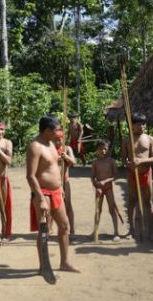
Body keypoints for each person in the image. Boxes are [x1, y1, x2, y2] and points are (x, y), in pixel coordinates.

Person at [27, 116, 79, 274]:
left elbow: (55, 167)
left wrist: (60, 186)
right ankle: (44, 266)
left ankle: (64, 262)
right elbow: (30, 175)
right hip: (43, 193)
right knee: (44, 232)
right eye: (56, 130)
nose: (59, 133)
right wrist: (41, 198)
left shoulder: (52, 143)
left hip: (57, 191)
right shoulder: (35, 147)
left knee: (64, 226)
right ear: (47, 130)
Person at [119, 113, 153, 240]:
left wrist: (141, 161)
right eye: (139, 124)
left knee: (148, 202)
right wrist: (129, 164)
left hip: (146, 173)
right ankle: (132, 230)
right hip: (132, 173)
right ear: (132, 125)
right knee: (132, 201)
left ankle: (150, 231)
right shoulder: (126, 139)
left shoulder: (150, 139)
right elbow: (123, 159)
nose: (142, 126)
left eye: (143, 124)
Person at [91, 140, 122, 242]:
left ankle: (116, 232)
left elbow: (116, 175)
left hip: (109, 189)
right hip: (99, 189)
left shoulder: (111, 161)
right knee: (97, 210)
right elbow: (93, 177)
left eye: (104, 149)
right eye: (100, 149)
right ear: (96, 150)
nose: (103, 151)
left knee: (112, 209)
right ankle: (95, 232)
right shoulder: (95, 162)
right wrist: (97, 186)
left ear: (107, 149)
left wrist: (106, 181)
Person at [55, 128, 77, 239]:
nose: (59, 141)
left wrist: (66, 157)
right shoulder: (50, 149)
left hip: (65, 181)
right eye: (57, 139)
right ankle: (49, 230)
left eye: (61, 139)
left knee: (68, 205)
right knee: (51, 207)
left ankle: (72, 230)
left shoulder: (67, 149)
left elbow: (74, 162)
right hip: (53, 183)